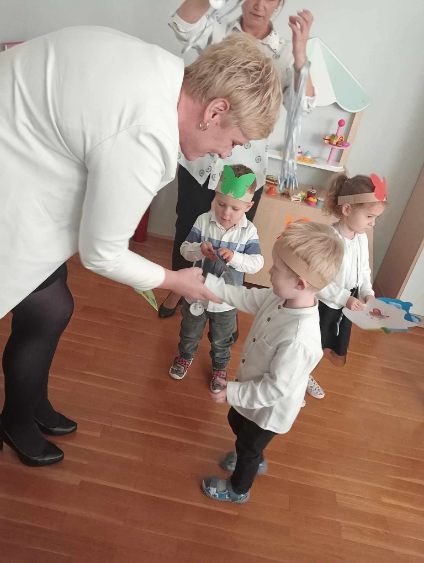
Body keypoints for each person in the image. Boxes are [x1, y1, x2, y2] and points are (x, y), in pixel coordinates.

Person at [0, 27, 282, 466]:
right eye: (234, 141)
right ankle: (17, 420)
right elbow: (101, 253)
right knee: (46, 309)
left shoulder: (162, 69)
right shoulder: (148, 134)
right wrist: (174, 280)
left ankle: (28, 406)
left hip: (23, 155)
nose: (227, 155)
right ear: (215, 111)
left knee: (51, 306)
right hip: (14, 177)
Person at [159, 0, 315, 318]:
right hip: (200, 160)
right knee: (188, 226)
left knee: (235, 233)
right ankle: (179, 288)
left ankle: (224, 300)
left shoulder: (284, 51)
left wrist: (300, 53)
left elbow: (304, 106)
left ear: (280, 3)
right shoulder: (218, 31)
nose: (259, 4)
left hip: (244, 170)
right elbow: (183, 24)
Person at [198, 221, 344, 503]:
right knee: (236, 422)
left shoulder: (299, 339)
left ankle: (238, 489)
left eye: (276, 269)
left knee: (248, 445)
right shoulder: (280, 298)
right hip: (252, 393)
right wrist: (209, 285)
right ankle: (252, 455)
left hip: (269, 411)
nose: (269, 272)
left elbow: (275, 389)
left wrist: (232, 392)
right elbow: (244, 296)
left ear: (300, 283)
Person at [168, 164, 264, 392]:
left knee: (222, 339)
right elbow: (184, 249)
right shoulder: (203, 220)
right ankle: (185, 356)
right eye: (221, 204)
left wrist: (235, 257)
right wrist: (199, 250)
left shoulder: (248, 232)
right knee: (189, 332)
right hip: (196, 295)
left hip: (226, 302)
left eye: (235, 208)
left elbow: (257, 263)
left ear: (248, 206)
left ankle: (220, 368)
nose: (226, 213)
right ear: (215, 197)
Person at [306, 173, 388, 399]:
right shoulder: (329, 238)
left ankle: (304, 375)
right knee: (310, 344)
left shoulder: (361, 237)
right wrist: (344, 298)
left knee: (323, 345)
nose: (373, 223)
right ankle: (294, 380)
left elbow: (364, 271)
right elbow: (317, 280)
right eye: (370, 216)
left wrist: (367, 293)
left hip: (344, 306)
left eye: (375, 218)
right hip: (324, 304)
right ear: (347, 209)